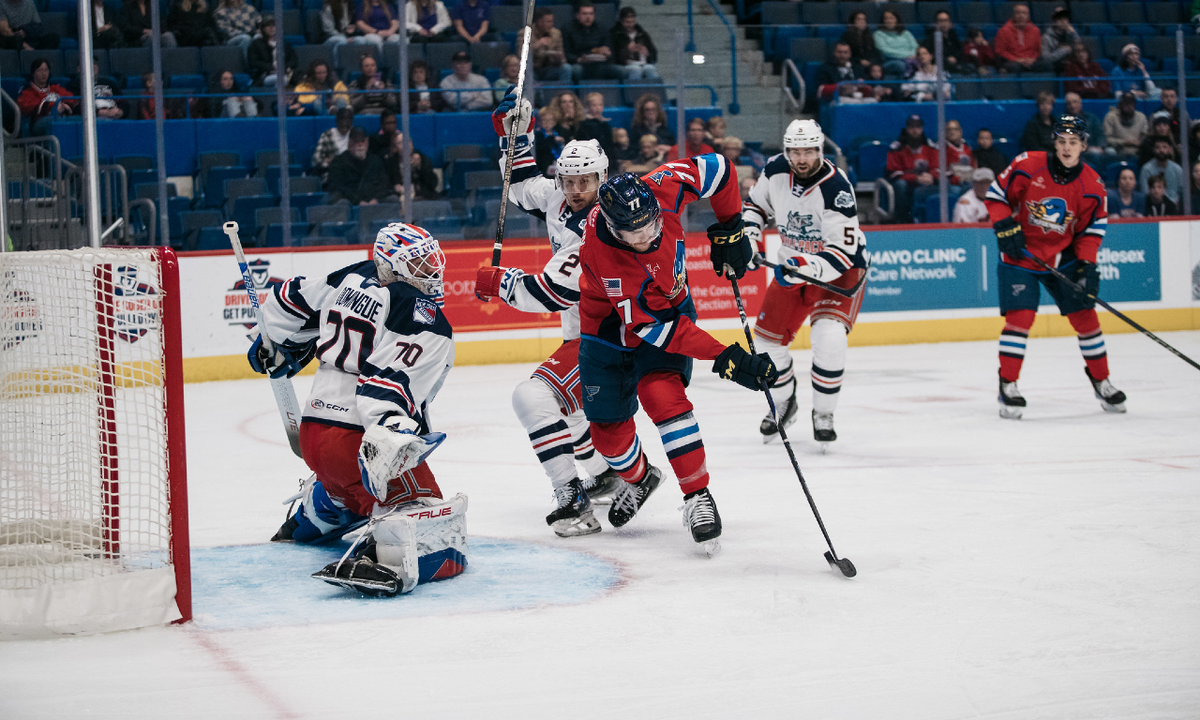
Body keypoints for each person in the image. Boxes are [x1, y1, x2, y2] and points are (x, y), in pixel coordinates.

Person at [259, 223, 465, 598]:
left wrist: (274, 341)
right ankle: (385, 558)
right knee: (437, 533)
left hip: (313, 436)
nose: (431, 272)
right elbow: (383, 389)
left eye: (430, 260)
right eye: (418, 263)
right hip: (356, 439)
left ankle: (317, 513)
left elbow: (288, 299)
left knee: (347, 486)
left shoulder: (353, 274)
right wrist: (392, 437)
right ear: (391, 265)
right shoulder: (422, 313)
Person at [574, 157, 766, 554]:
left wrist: (731, 227)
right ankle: (640, 477)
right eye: (634, 233)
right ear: (613, 228)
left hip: (669, 310)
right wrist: (726, 357)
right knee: (607, 439)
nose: (645, 236)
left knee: (664, 398)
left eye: (650, 224)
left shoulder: (663, 186)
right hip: (610, 331)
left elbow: (722, 170)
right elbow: (659, 331)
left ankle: (698, 496)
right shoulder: (610, 260)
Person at [474, 93, 621, 536]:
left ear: (603, 178)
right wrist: (515, 134)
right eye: (568, 180)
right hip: (583, 327)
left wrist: (497, 282)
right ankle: (611, 473)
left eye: (585, 181)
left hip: (609, 335)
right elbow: (520, 187)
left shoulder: (602, 223)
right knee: (573, 413)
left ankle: (573, 499)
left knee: (533, 398)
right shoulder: (560, 194)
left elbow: (548, 294)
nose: (575, 190)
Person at [985, 115, 1125, 418]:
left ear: (1084, 145)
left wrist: (1087, 265)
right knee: (1020, 318)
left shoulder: (1092, 185)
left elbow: (1093, 228)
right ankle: (1007, 384)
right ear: (1055, 142)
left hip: (1063, 256)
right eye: (1062, 141)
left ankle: (1102, 381)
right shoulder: (1028, 164)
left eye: (1073, 142)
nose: (1066, 147)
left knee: (1086, 318)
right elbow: (995, 195)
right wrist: (1004, 224)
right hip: (1021, 256)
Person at [743, 119, 868, 446]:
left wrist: (802, 264)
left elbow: (842, 252)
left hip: (839, 272)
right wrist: (750, 238)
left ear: (819, 150)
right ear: (786, 150)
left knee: (828, 338)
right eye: (795, 151)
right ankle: (785, 401)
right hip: (794, 266)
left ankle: (824, 412)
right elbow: (756, 206)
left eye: (809, 151)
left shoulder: (836, 188)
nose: (801, 158)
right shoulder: (774, 170)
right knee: (766, 345)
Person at [886, 114, 939, 224]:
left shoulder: (930, 146)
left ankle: (936, 221)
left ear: (922, 128)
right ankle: (902, 222)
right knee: (900, 185)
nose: (915, 130)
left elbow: (936, 167)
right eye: (912, 127)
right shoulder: (897, 147)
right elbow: (894, 174)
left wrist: (932, 176)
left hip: (925, 184)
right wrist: (915, 178)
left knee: (944, 183)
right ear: (907, 128)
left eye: (918, 127)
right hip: (907, 185)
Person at [326, 126, 398, 205]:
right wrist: (358, 201)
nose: (360, 144)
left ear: (367, 142)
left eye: (362, 141)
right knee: (342, 202)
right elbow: (338, 187)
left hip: (374, 202)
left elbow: (384, 184)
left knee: (393, 199)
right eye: (356, 141)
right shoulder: (339, 162)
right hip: (351, 201)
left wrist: (375, 199)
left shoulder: (375, 161)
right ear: (350, 144)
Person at [563, 1, 617, 81]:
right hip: (578, 63)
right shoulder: (567, 29)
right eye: (584, 14)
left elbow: (610, 51)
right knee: (576, 70)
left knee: (618, 70)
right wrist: (579, 59)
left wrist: (607, 53)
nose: (588, 17)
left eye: (591, 14)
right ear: (577, 15)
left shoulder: (602, 28)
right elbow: (566, 53)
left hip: (599, 63)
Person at [16, 59, 71, 135]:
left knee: (78, 119)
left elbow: (72, 98)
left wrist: (66, 106)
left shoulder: (55, 88)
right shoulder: (27, 91)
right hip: (38, 122)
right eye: (40, 70)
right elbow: (27, 107)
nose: (44, 73)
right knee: (54, 121)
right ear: (33, 73)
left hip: (61, 118)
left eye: (46, 70)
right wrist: (54, 107)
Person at [994, 3, 1050, 74]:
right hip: (1013, 62)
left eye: (1024, 13)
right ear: (1014, 15)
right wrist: (1016, 60)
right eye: (1018, 13)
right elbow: (1000, 51)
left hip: (1031, 61)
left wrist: (1033, 59)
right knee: (1014, 67)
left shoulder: (1035, 30)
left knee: (1047, 65)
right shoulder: (1003, 30)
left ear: (1028, 16)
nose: (1021, 16)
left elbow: (1038, 51)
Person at [383, 131, 438, 199]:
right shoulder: (390, 163)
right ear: (395, 148)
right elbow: (384, 185)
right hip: (399, 199)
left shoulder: (421, 158)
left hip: (421, 198)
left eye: (408, 141)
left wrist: (420, 167)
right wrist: (395, 188)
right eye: (400, 143)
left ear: (412, 144)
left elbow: (433, 183)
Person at [247, 15, 297, 87]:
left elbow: (294, 60)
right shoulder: (256, 44)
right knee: (281, 80)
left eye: (274, 25)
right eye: (268, 25)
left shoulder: (284, 44)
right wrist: (270, 67)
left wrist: (283, 68)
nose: (271, 28)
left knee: (284, 80)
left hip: (283, 73)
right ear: (263, 29)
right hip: (265, 75)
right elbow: (253, 62)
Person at [610, 6, 658, 81]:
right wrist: (626, 50)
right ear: (621, 21)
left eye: (632, 22)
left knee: (651, 69)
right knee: (636, 70)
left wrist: (648, 53)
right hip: (622, 66)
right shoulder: (614, 34)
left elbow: (654, 53)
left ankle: (654, 92)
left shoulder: (642, 34)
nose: (630, 25)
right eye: (627, 22)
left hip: (642, 63)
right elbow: (612, 56)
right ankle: (634, 92)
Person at [525, 7, 569, 82]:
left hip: (550, 67)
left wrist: (558, 57)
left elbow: (562, 57)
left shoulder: (556, 33)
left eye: (552, 21)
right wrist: (538, 44)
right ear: (539, 22)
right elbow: (521, 55)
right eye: (548, 22)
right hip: (533, 68)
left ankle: (564, 91)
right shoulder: (526, 33)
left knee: (567, 68)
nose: (551, 24)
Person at [578, 91, 616, 173]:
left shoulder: (606, 124)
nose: (598, 108)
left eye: (600, 105)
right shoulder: (584, 124)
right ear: (588, 107)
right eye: (594, 105)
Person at [1138, 137, 1184, 204]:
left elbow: (1182, 192)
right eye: (1157, 147)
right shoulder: (1146, 169)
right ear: (1153, 150)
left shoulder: (1177, 169)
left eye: (1164, 147)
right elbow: (1145, 193)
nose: (1161, 150)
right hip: (1152, 205)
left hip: (1174, 207)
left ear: (1170, 149)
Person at [1103, 93, 1147, 162]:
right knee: (1110, 151)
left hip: (1136, 150)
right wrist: (1125, 142)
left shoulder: (1141, 117)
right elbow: (1106, 139)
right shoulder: (1111, 116)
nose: (1129, 106)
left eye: (1131, 104)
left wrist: (1140, 142)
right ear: (1120, 104)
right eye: (1126, 104)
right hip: (1118, 149)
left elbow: (1145, 136)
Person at [873, 9, 917, 78]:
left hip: (909, 60)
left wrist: (912, 55)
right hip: (888, 61)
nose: (889, 21)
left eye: (891, 18)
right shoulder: (878, 34)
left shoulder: (906, 33)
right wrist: (907, 55)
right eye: (886, 18)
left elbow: (914, 46)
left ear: (896, 20)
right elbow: (885, 51)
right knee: (900, 65)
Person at [312, 107, 355, 175]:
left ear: (352, 122)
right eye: (342, 120)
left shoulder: (355, 135)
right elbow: (316, 158)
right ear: (337, 121)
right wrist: (328, 162)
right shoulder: (327, 135)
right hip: (331, 174)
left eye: (348, 120)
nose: (345, 123)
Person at [1063, 91, 1105, 160]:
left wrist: (1100, 147)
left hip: (1090, 148)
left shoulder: (1092, 118)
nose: (1072, 106)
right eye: (1069, 103)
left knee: (1099, 152)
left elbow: (1100, 134)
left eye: (1075, 102)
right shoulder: (1062, 120)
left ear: (1080, 103)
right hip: (1070, 149)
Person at [1040, 7, 1079, 72]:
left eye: (1065, 18)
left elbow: (1081, 49)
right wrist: (1064, 50)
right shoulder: (1046, 37)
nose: (1063, 21)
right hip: (1056, 67)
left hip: (1073, 66)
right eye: (1059, 18)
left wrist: (1074, 33)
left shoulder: (1071, 34)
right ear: (1054, 21)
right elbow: (1046, 59)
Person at [944, 119, 975, 187]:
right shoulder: (942, 149)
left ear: (960, 131)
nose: (952, 132)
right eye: (949, 129)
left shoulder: (968, 148)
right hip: (952, 184)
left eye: (955, 129)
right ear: (945, 132)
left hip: (969, 182)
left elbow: (973, 167)